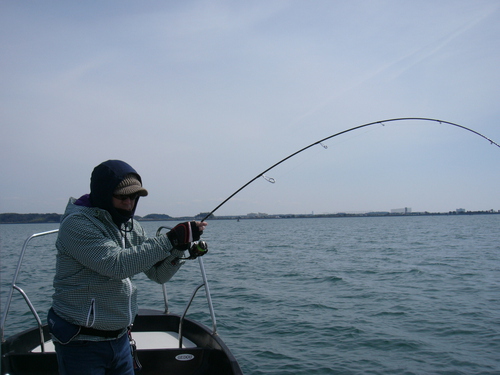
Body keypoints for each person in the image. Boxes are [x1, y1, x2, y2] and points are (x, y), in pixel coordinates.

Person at [48, 159, 207, 375]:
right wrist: (169, 239)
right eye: (122, 197)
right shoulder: (76, 224)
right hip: (81, 343)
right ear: (103, 193)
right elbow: (117, 265)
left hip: (120, 339)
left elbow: (158, 274)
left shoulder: (130, 227)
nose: (129, 203)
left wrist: (179, 246)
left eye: (134, 197)